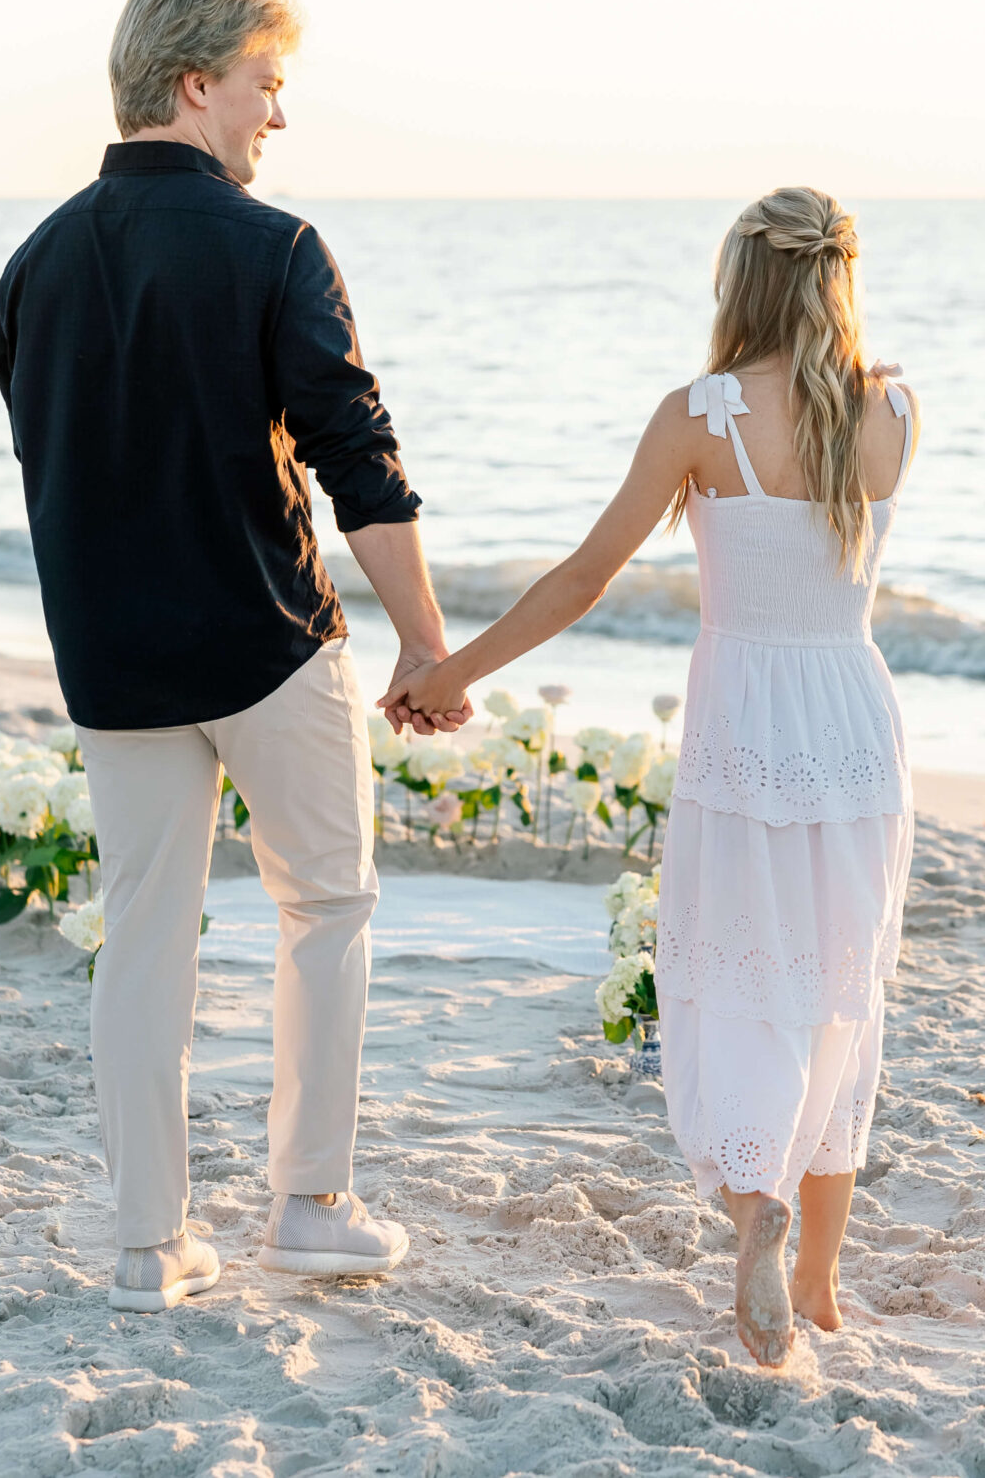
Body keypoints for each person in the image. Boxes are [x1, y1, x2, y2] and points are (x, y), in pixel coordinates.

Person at [0, 0, 471, 1312]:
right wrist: (426, 647)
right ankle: (311, 1202)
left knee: (146, 931)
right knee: (328, 905)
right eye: (268, 84)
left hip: (115, 663)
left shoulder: (30, 269)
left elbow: (63, 472)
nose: (277, 116)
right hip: (266, 644)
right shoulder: (278, 249)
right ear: (197, 83)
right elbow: (357, 464)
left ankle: (150, 1244)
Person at [383, 187, 917, 1365]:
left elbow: (582, 580)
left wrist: (449, 671)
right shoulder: (893, 410)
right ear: (839, 277)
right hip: (856, 734)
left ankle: (751, 1208)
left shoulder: (701, 416)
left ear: (740, 282)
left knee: (735, 989)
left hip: (743, 734)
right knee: (838, 995)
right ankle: (822, 1291)